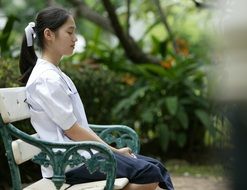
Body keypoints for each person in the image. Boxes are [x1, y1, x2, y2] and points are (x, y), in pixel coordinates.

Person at [19, 6, 174, 190]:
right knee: (149, 174)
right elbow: (72, 130)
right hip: (68, 164)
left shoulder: (55, 73)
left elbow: (74, 128)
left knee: (156, 167)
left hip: (81, 156)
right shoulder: (46, 78)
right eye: (70, 32)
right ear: (49, 34)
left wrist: (112, 152)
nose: (75, 38)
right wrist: (113, 151)